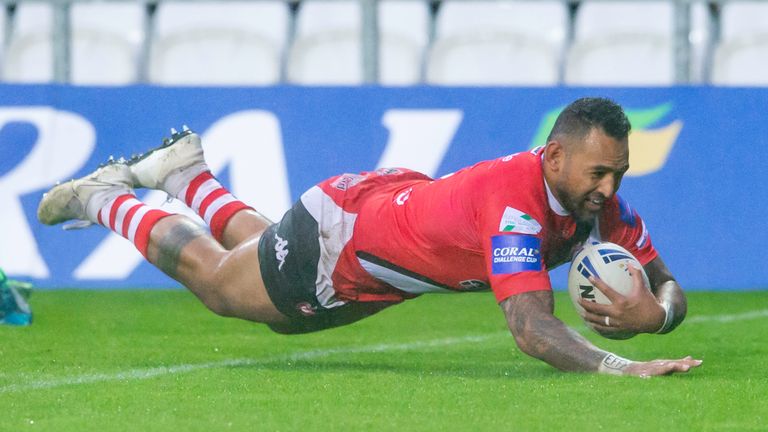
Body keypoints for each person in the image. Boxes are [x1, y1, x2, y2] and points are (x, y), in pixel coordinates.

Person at [38, 97, 701, 377]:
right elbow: (531, 330)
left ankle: (184, 175)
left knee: (264, 275)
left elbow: (667, 283)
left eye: (618, 173)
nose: (609, 189)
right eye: (598, 172)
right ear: (554, 157)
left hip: (373, 225)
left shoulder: (597, 206)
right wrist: (624, 364)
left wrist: (657, 313)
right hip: (348, 239)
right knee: (223, 286)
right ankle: (106, 199)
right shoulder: (516, 206)